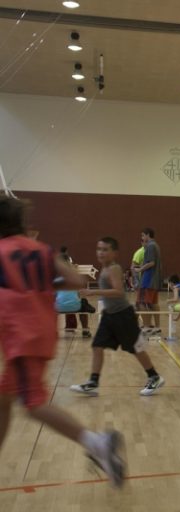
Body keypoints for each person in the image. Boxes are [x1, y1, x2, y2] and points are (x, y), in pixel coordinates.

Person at [0, 197, 124, 487]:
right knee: (3, 399)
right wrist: (38, 284)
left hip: (21, 337)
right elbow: (76, 281)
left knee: (33, 403)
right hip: (43, 333)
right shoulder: (41, 250)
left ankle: (97, 443)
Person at [70, 237, 165, 397]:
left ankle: (154, 376)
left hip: (122, 315)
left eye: (105, 249)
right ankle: (93, 382)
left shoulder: (114, 268)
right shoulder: (105, 268)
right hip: (109, 315)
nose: (101, 252)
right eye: (99, 249)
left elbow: (119, 292)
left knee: (135, 348)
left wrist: (92, 292)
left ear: (115, 253)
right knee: (97, 345)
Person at [136, 228, 163, 336]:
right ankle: (157, 327)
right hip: (154, 280)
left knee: (141, 302)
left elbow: (151, 263)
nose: (142, 238)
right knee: (153, 303)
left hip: (148, 280)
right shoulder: (156, 245)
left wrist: (140, 269)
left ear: (148, 235)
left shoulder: (150, 246)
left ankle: (146, 327)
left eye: (143, 235)